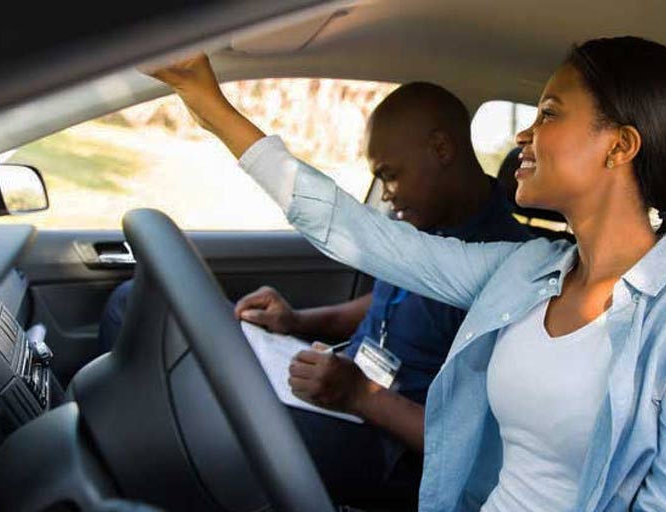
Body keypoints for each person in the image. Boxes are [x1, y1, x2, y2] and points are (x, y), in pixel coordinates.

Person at [149, 36, 666, 511]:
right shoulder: (525, 269)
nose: (524, 134)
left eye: (549, 113)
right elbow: (355, 231)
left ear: (620, 146)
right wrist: (210, 106)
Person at [98, 80, 530, 509]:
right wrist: (297, 321)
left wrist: (362, 395)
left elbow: (476, 447)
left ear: (441, 149)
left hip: (390, 444)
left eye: (390, 174)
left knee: (212, 417)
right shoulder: (422, 224)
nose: (385, 194)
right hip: (342, 389)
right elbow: (394, 304)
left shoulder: (510, 268)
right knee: (133, 304)